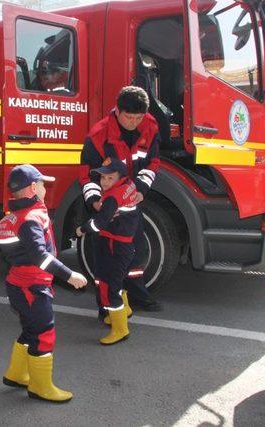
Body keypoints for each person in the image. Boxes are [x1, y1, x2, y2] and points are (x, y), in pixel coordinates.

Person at [0, 164, 87, 403]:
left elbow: (13, 255)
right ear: (32, 189)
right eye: (42, 184)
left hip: (20, 284)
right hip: (32, 287)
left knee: (30, 330)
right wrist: (70, 275)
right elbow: (40, 256)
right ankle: (40, 387)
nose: (45, 188)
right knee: (44, 333)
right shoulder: (31, 219)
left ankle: (16, 374)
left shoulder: (12, 217)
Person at [79, 85, 163, 319]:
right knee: (105, 260)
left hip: (131, 203)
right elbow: (88, 175)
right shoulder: (99, 134)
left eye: (138, 117)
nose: (134, 122)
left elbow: (153, 162)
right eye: (129, 117)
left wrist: (142, 189)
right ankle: (105, 308)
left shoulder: (150, 126)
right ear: (117, 110)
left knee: (135, 252)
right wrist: (95, 202)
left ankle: (136, 296)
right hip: (106, 206)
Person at [76, 158, 139, 345]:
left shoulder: (112, 197)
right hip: (124, 243)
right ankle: (123, 310)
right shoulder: (128, 185)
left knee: (109, 286)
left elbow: (99, 223)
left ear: (120, 177)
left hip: (115, 244)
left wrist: (82, 229)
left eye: (109, 178)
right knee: (117, 280)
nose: (104, 182)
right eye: (103, 177)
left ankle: (120, 329)